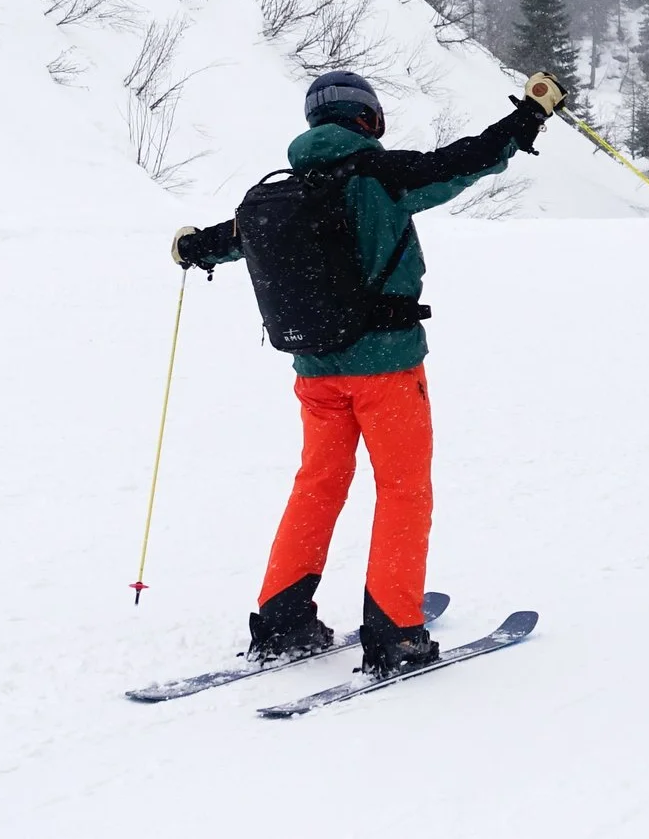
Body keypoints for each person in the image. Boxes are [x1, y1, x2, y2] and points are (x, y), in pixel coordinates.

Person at [170, 69, 560, 676]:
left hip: (315, 373)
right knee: (403, 491)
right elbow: (467, 160)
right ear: (368, 119)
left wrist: (192, 246)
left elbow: (225, 241)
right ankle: (394, 632)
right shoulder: (378, 173)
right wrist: (530, 116)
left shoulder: (285, 192)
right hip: (387, 369)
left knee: (317, 485)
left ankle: (283, 620)